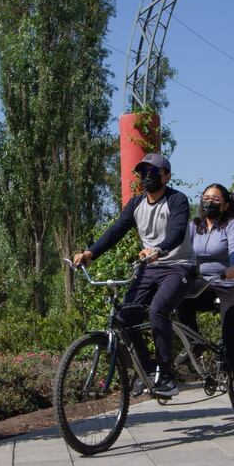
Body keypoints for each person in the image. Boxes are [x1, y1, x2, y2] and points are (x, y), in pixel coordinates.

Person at [73, 153, 195, 397]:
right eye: (143, 172)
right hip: (150, 268)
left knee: (157, 309)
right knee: (124, 316)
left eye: (153, 172)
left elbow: (178, 231)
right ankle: (150, 372)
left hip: (179, 266)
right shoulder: (137, 204)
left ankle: (167, 375)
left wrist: (159, 249)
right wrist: (90, 252)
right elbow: (116, 230)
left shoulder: (177, 200)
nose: (147, 177)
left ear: (166, 176)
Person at [174, 183, 234, 415]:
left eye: (215, 199)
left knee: (232, 336)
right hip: (209, 284)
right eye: (206, 197)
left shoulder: (232, 225)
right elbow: (180, 249)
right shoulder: (194, 226)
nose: (209, 202)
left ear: (226, 204)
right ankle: (195, 344)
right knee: (179, 295)